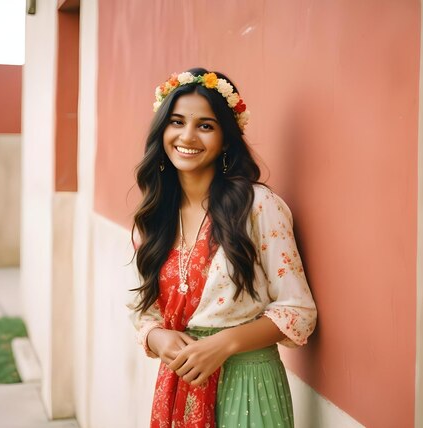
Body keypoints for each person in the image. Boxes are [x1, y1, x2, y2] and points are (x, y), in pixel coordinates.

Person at [128, 67, 317, 428]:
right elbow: (143, 311)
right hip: (179, 385)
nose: (188, 136)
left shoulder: (258, 206)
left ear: (226, 139)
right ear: (162, 130)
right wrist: (156, 336)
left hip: (249, 386)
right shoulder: (153, 218)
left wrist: (224, 345)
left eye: (205, 125)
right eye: (177, 121)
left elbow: (298, 311)